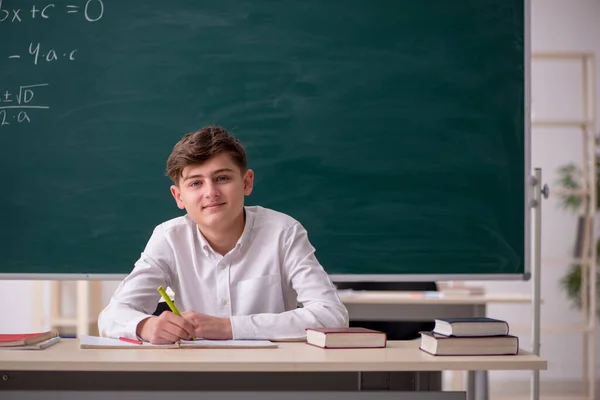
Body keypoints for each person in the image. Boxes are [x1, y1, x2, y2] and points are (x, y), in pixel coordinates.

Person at [98, 125, 349, 344]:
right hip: (196, 373)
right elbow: (111, 316)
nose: (211, 192)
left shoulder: (283, 232)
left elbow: (332, 316)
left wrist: (229, 327)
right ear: (178, 196)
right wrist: (147, 326)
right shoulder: (169, 238)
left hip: (273, 372)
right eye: (196, 183)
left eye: (222, 178)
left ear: (247, 182)